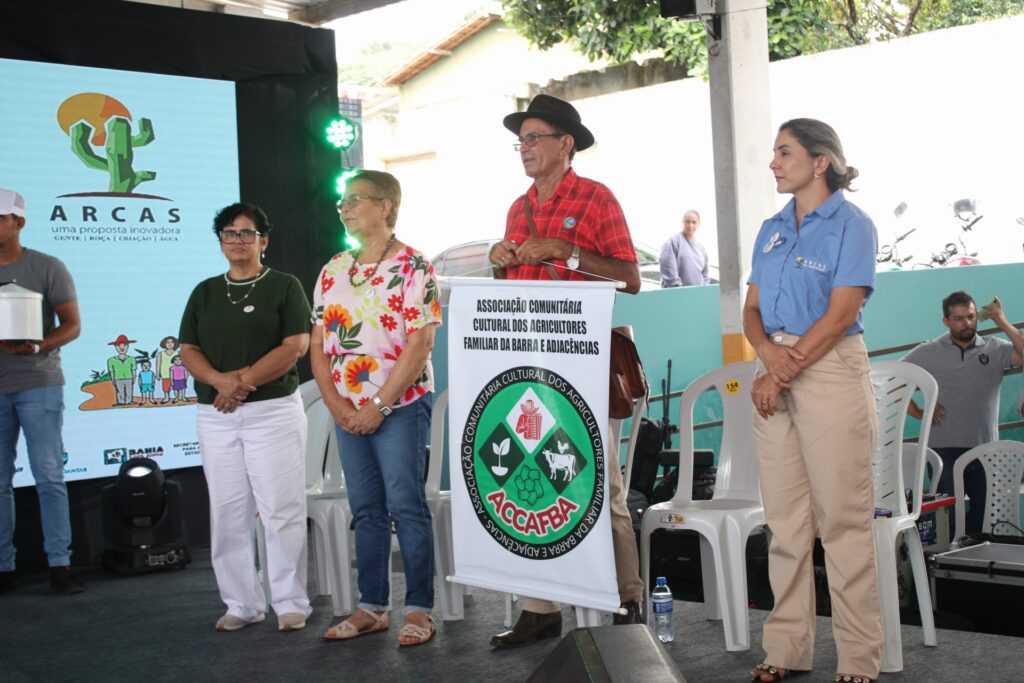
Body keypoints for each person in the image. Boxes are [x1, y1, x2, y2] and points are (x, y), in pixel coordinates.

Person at [487, 94, 644, 648]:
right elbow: (513, 287)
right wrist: (500, 261)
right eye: (520, 140)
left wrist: (566, 251)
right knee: (529, 483)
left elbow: (630, 278)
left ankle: (627, 597)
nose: (524, 148)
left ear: (565, 144)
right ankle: (541, 607)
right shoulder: (518, 208)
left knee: (602, 483)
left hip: (586, 357)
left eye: (534, 138)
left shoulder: (597, 198)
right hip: (531, 359)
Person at [743, 119, 880, 683]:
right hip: (772, 365)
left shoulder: (853, 225)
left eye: (785, 152)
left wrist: (782, 370)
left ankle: (858, 659)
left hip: (828, 366)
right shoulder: (771, 228)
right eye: (774, 153)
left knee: (842, 522)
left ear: (820, 161)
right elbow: (751, 310)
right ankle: (786, 649)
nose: (773, 163)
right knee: (785, 523)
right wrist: (767, 359)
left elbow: (842, 313)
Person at [312, 170, 441, 647]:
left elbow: (420, 343)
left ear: (385, 206)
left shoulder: (414, 265)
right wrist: (337, 405)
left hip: (400, 405)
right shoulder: (333, 268)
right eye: (342, 202)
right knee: (365, 508)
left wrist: (378, 406)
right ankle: (372, 607)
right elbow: (317, 343)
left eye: (355, 200)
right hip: (347, 408)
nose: (344, 209)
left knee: (406, 505)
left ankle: (420, 609)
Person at [178, 203, 312, 632]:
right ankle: (242, 604)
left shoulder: (285, 285)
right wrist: (219, 381)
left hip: (272, 412)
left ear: (263, 240)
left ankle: (290, 602)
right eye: (229, 233)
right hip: (215, 413)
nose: (237, 240)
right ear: (220, 241)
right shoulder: (204, 292)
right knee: (228, 512)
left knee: (281, 509)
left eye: (246, 233)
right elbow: (188, 349)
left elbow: (295, 346)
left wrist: (242, 383)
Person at [0, 187, 83, 594]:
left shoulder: (47, 266)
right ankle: (4, 565)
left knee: (49, 475)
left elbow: (72, 324)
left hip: (39, 383)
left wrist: (39, 345)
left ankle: (60, 564)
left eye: (0, 218)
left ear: (19, 222)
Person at [902, 292, 1023, 536]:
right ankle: (950, 559)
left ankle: (977, 556)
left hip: (986, 449)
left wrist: (1002, 322)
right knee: (947, 521)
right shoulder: (928, 351)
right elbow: (895, 380)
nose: (966, 323)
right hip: (943, 450)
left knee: (985, 516)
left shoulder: (994, 347)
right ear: (946, 321)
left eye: (970, 316)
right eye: (958, 319)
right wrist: (918, 412)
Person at [659, 209, 710, 287]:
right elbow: (669, 273)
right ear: (683, 222)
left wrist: (704, 289)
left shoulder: (701, 248)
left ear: (699, 224)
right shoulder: (672, 242)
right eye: (688, 222)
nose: (690, 225)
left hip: (698, 293)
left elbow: (705, 274)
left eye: (694, 222)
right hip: (677, 293)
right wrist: (682, 291)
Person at [106, 334, 137, 406]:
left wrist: (133, 377)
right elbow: (112, 371)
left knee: (129, 390)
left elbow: (133, 370)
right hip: (118, 378)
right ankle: (121, 402)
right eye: (119, 345)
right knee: (120, 391)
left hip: (129, 377)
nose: (122, 347)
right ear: (116, 347)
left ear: (128, 346)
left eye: (124, 345)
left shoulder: (132, 359)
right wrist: (113, 379)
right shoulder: (111, 360)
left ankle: (129, 401)